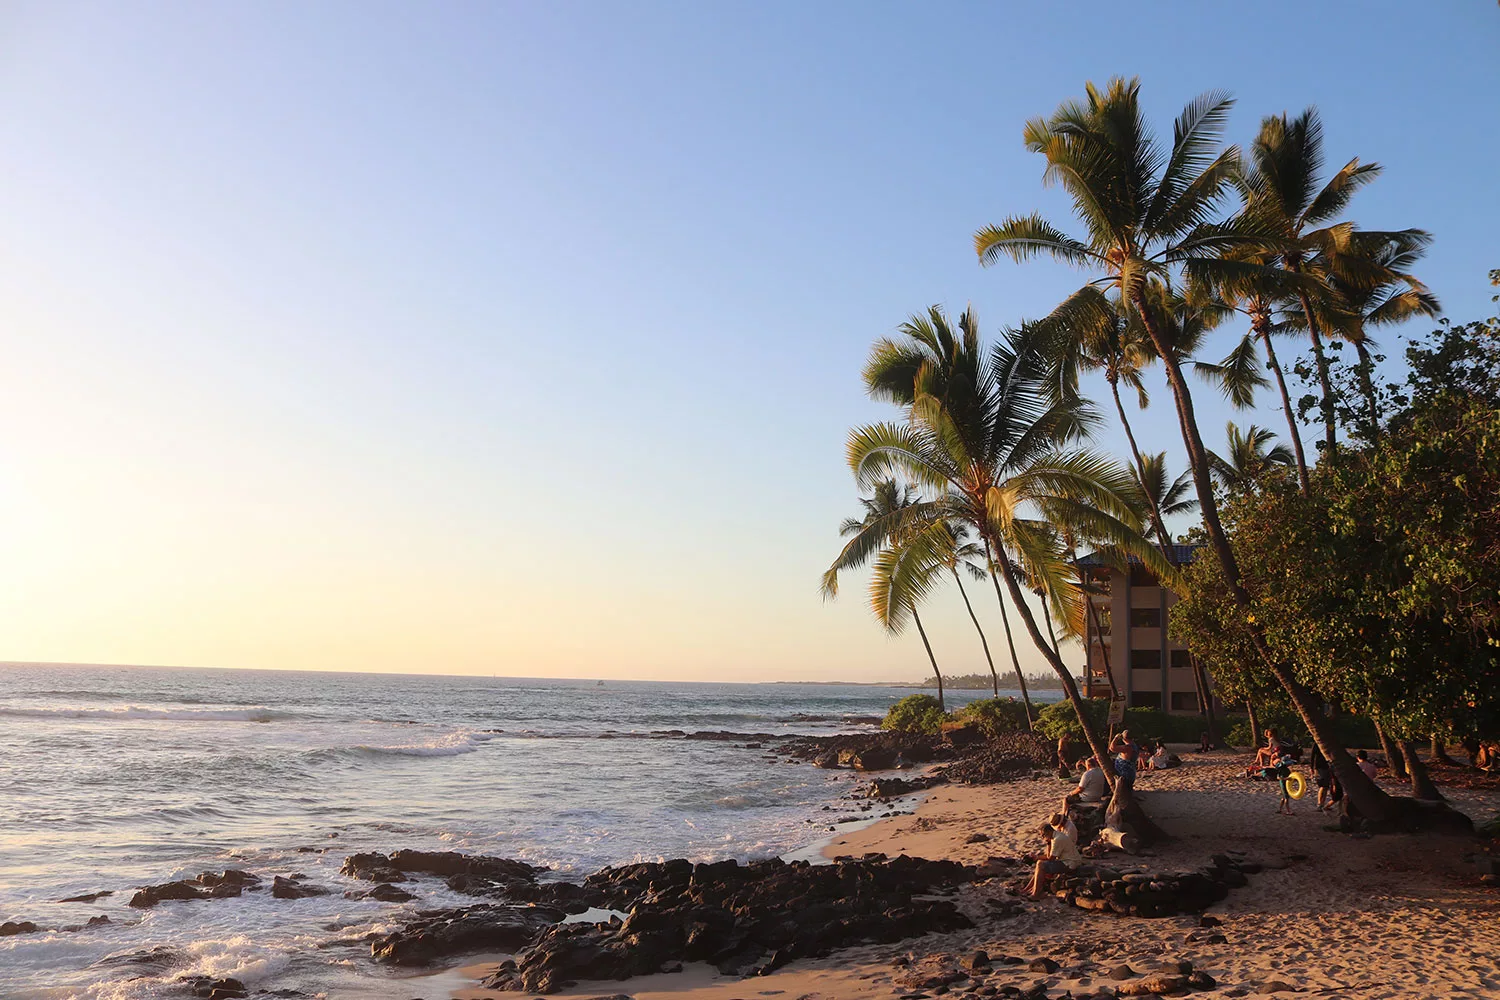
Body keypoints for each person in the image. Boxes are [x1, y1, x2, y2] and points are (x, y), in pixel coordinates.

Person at [1023, 818, 1081, 899]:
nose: (1043, 837)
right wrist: (1048, 844)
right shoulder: (1055, 836)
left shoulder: (1058, 839)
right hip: (1067, 861)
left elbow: (1050, 858)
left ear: (1048, 832)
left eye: (1043, 835)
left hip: (1070, 863)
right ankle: (1028, 889)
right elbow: (1048, 855)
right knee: (1039, 863)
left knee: (1041, 864)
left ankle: (1036, 893)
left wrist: (1040, 855)